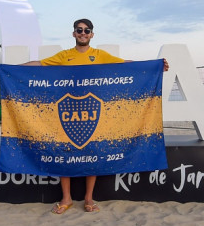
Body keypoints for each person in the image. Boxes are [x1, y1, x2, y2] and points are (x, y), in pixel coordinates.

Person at [23, 18, 168, 215]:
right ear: (73, 33)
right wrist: (10, 68)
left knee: (92, 153)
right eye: (79, 30)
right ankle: (66, 199)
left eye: (87, 30)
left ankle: (89, 197)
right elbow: (39, 64)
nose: (83, 33)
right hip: (68, 110)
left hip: (92, 111)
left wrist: (155, 66)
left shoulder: (99, 55)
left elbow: (125, 65)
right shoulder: (65, 55)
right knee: (64, 153)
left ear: (92, 34)